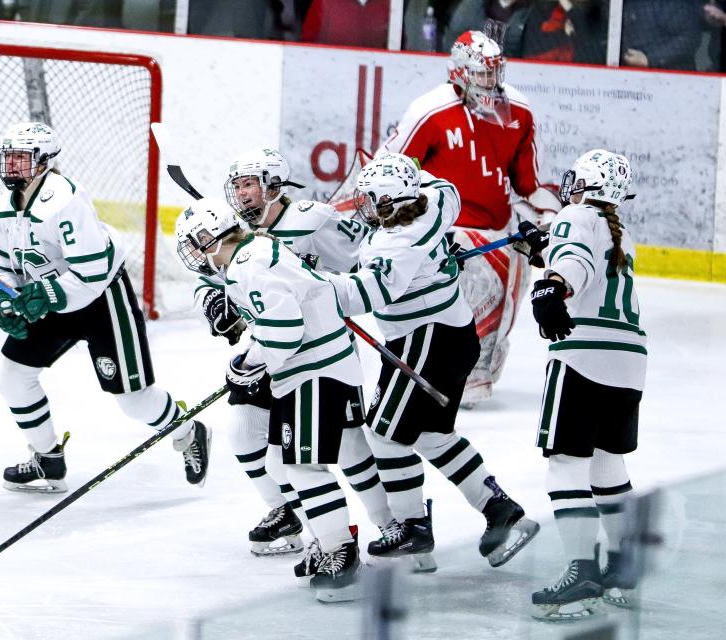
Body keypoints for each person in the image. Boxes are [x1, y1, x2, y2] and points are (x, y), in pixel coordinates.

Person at [325, 152, 539, 568]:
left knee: (385, 435)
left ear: (392, 203)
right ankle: (500, 510)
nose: (364, 206)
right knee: (428, 434)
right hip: (449, 336)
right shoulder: (436, 201)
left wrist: (309, 286)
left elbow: (364, 294)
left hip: (425, 341)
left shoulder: (396, 243)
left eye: (372, 199)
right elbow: (441, 185)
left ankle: (412, 528)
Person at [0, 122, 210, 493]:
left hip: (103, 300)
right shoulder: (3, 206)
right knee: (11, 377)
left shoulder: (64, 200)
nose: (12, 167)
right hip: (53, 297)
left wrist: (43, 296)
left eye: (21, 159)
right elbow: (5, 266)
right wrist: (4, 297)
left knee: (134, 401)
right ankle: (48, 459)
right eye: (8, 158)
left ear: (43, 162)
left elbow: (91, 274)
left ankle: (188, 431)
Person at [222, 148, 416, 566]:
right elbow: (213, 278)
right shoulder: (236, 232)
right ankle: (299, 519)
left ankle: (389, 525)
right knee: (248, 434)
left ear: (274, 183)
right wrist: (217, 304)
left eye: (250, 184)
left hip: (317, 353)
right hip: (273, 352)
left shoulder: (314, 218)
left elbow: (370, 261)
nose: (242, 195)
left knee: (346, 449)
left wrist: (323, 289)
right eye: (237, 186)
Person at [176, 198, 366, 602]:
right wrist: (247, 358)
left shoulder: (251, 264)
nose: (194, 253)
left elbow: (283, 334)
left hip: (315, 368)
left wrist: (247, 361)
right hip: (303, 370)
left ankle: (341, 553)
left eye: (196, 243)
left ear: (211, 238)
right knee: (284, 462)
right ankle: (324, 539)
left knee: (305, 468)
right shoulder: (250, 257)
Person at [376, 30, 560, 408]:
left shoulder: (519, 112)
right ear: (458, 72)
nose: (490, 82)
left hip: (497, 231)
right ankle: (448, 369)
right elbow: (391, 166)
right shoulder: (430, 111)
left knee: (500, 313)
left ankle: (475, 371)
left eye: (494, 73)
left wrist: (550, 211)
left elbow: (527, 183)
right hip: (445, 232)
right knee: (452, 314)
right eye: (481, 74)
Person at [529, 149, 645, 620]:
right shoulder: (622, 233)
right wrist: (542, 254)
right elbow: (588, 260)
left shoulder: (576, 214)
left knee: (564, 464)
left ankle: (581, 573)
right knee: (606, 464)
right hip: (629, 361)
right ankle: (623, 567)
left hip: (582, 355)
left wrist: (551, 285)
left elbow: (575, 260)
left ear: (588, 187)